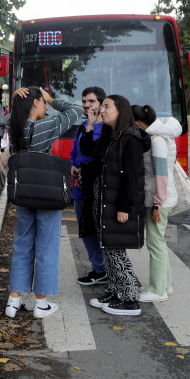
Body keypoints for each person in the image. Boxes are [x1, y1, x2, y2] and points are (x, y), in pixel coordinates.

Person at [4, 87, 83, 319]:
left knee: (22, 244)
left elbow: (10, 117)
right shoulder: (47, 126)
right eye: (42, 102)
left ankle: (13, 301)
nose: (45, 106)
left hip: (23, 191)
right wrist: (53, 100)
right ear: (37, 102)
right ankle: (41, 303)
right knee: (47, 246)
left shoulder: (14, 126)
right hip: (47, 191)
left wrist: (16, 99)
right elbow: (76, 110)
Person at [80, 95, 150, 316]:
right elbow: (91, 153)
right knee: (107, 247)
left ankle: (130, 299)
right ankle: (115, 290)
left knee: (115, 250)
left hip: (116, 202)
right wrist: (91, 127)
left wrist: (124, 207)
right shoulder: (110, 136)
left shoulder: (130, 139)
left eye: (106, 106)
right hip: (103, 200)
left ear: (121, 110)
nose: (102, 110)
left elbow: (132, 177)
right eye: (102, 107)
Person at [132, 104, 181, 302]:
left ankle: (157, 290)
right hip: (161, 196)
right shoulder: (162, 136)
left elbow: (161, 174)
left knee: (155, 244)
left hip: (160, 197)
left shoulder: (157, 140)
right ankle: (164, 285)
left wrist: (157, 203)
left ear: (136, 123)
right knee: (159, 242)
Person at [70, 86, 108, 286]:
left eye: (91, 101)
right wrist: (73, 167)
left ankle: (103, 268)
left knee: (100, 229)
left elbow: (95, 154)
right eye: (84, 101)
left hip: (97, 188)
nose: (86, 105)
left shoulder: (107, 129)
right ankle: (99, 268)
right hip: (79, 187)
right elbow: (75, 153)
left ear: (101, 104)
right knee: (85, 229)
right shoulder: (81, 126)